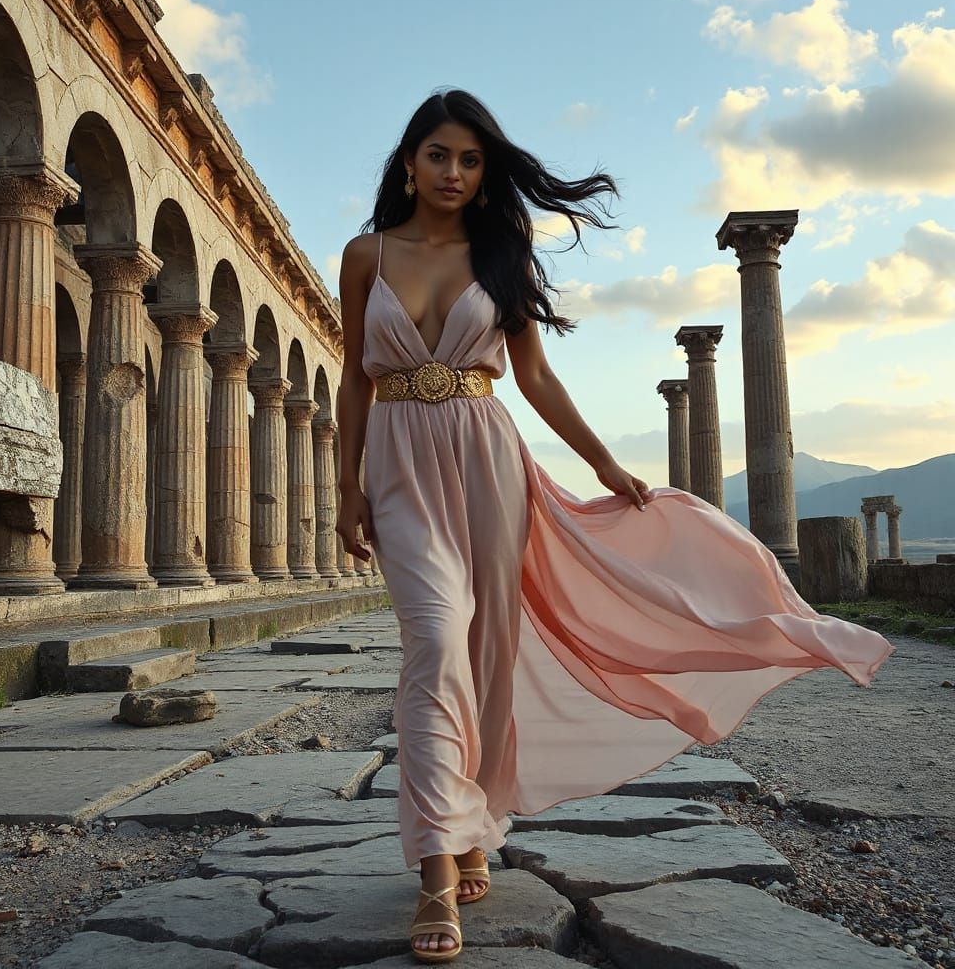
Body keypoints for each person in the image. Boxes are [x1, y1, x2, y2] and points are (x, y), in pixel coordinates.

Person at [334, 88, 895, 964]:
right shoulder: (365, 254)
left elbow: (536, 378)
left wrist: (602, 464)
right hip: (402, 465)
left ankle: (472, 816)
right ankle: (435, 869)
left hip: (488, 461)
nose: (452, 172)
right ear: (409, 160)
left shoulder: (501, 251)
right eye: (438, 155)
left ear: (486, 174)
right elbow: (353, 379)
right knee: (436, 645)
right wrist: (346, 489)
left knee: (486, 661)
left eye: (470, 160)